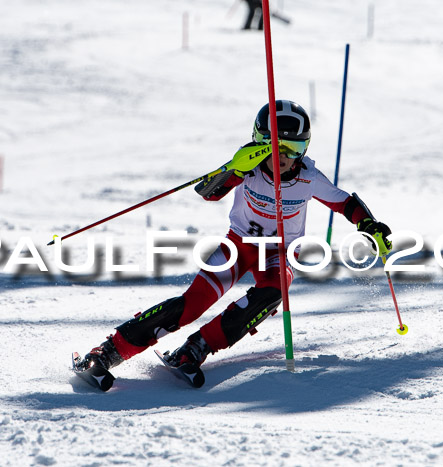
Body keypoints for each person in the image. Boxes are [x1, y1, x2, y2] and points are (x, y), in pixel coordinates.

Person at [74, 100, 393, 390]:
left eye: (294, 148)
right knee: (190, 306)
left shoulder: (309, 178)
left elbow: (344, 203)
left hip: (278, 253)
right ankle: (107, 352)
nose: (283, 157)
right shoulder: (248, 166)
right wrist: (235, 169)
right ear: (260, 142)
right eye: (276, 146)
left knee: (274, 291)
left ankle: (197, 347)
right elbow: (208, 192)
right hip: (237, 246)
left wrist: (368, 225)